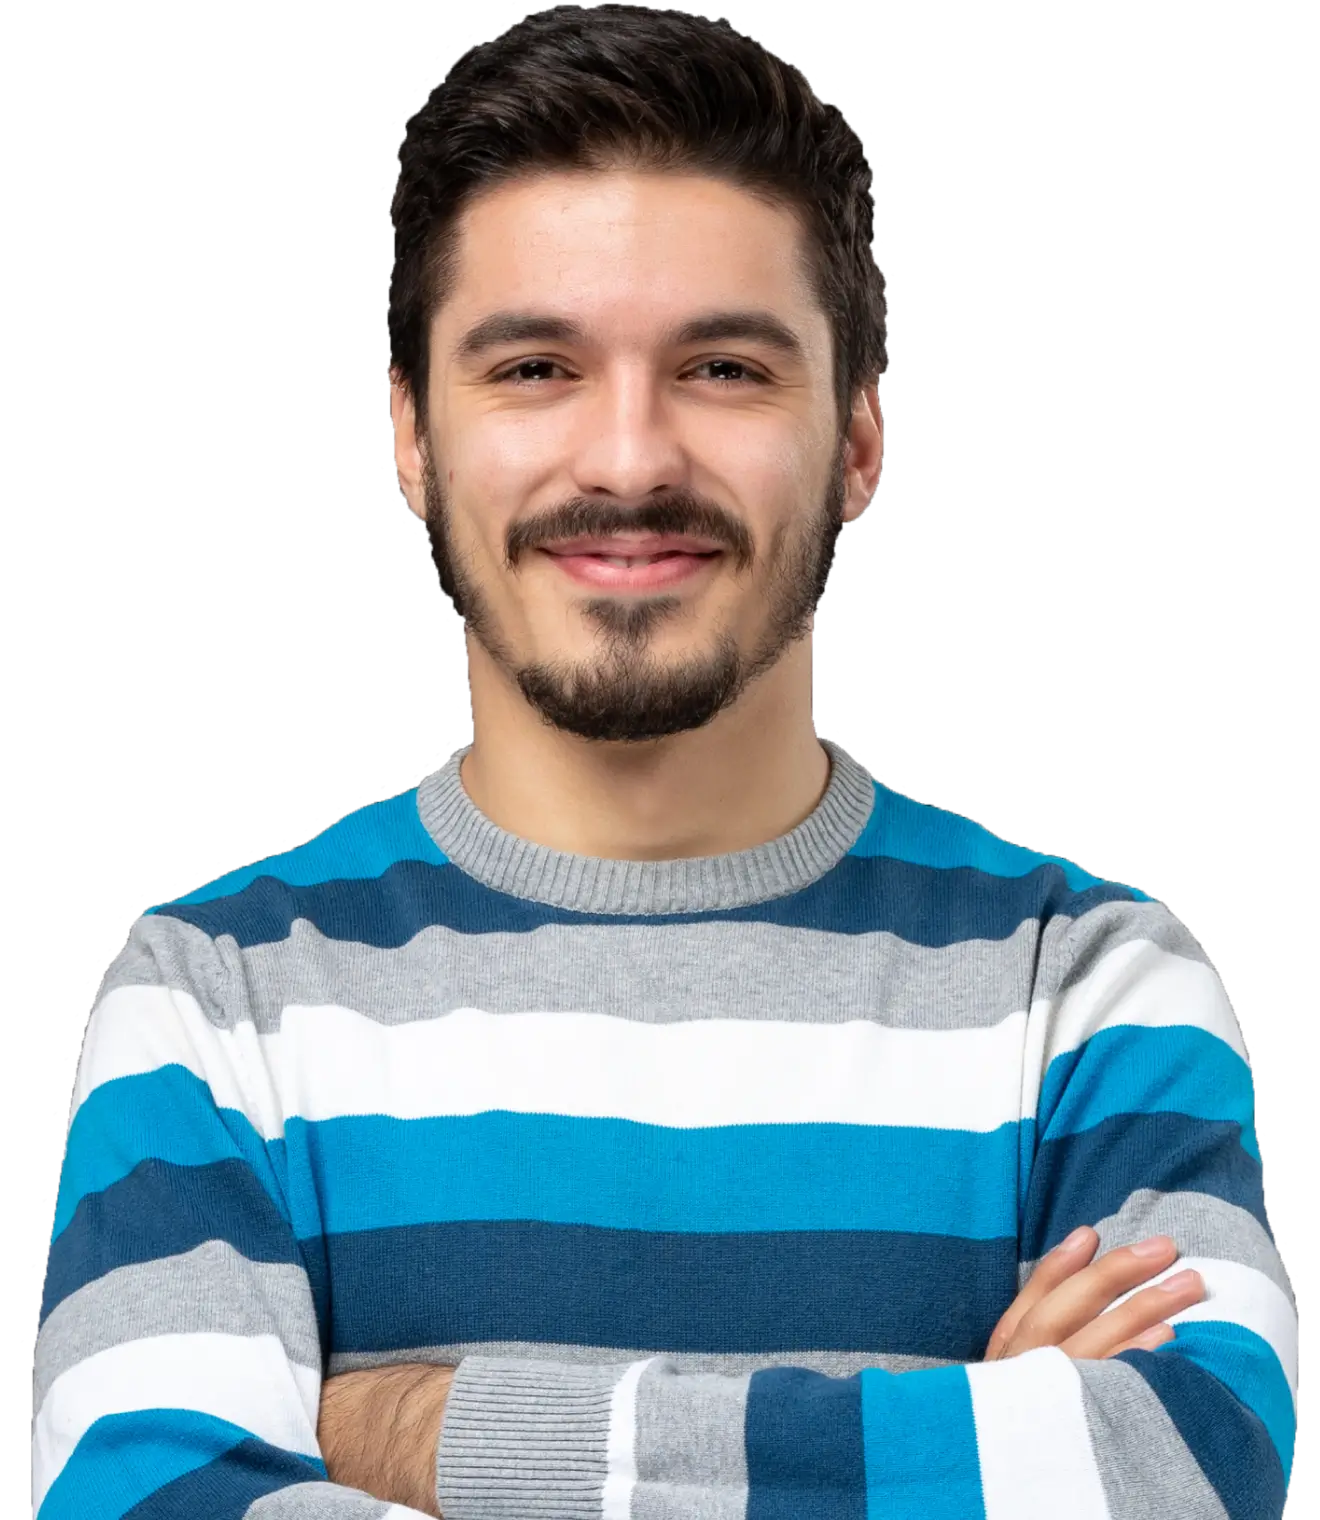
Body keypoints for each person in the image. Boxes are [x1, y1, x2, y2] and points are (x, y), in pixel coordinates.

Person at [32, 5, 1296, 1517]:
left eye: (724, 369)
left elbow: (1183, 1468)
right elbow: (146, 1498)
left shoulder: (1087, 986)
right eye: (534, 368)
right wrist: (970, 1435)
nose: (630, 461)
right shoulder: (210, 996)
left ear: (860, 439)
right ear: (411, 436)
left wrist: (412, 1435)